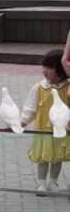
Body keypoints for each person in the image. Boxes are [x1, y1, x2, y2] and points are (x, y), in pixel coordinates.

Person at [21, 49, 70, 194]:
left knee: (57, 158)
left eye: (49, 68)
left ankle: (53, 182)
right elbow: (30, 108)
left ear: (61, 71)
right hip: (42, 131)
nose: (45, 71)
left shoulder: (67, 88)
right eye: (44, 67)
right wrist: (22, 122)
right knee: (42, 158)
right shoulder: (39, 88)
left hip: (61, 132)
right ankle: (41, 183)